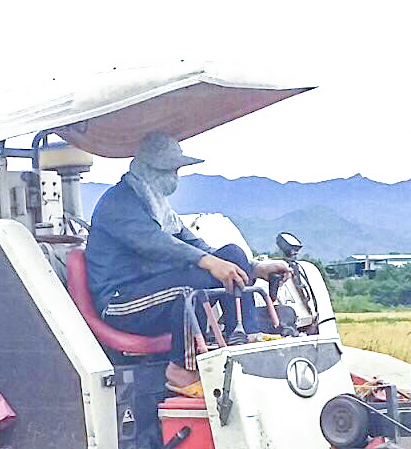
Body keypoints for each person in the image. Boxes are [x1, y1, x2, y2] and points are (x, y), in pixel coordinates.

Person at [85, 131, 290, 391]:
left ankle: (244, 340)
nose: (174, 177)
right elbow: (156, 243)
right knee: (191, 287)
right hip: (122, 301)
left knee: (231, 254)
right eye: (168, 170)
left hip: (157, 291)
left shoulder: (156, 204)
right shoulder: (119, 203)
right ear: (145, 168)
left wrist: (252, 268)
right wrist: (207, 262)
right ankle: (182, 368)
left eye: (176, 170)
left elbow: (190, 241)